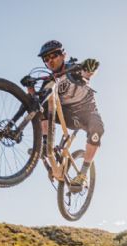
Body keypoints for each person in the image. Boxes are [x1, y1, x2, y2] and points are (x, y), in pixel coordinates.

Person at [25, 40, 104, 187]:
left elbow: (88, 72)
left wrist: (91, 67)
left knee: (97, 130)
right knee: (40, 106)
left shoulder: (73, 68)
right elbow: (35, 102)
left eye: (53, 56)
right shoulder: (48, 81)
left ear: (63, 55)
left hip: (86, 112)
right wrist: (30, 89)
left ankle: (82, 174)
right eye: (46, 59)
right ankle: (45, 144)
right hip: (66, 114)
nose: (50, 61)